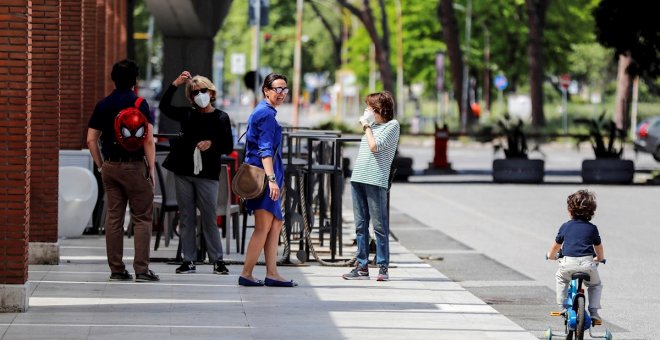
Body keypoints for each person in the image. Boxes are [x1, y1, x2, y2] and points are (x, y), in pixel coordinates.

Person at [87, 59, 160, 282]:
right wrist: (151, 169)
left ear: (113, 79)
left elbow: (91, 139)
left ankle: (117, 269)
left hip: (110, 166)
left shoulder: (103, 104)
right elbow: (147, 140)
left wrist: (101, 165)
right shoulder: (139, 104)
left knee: (114, 219)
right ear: (135, 80)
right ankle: (141, 270)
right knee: (142, 218)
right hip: (135, 166)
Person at [159, 71, 234, 275]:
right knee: (186, 217)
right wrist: (174, 83)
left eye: (203, 91)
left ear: (211, 92)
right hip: (183, 170)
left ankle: (217, 260)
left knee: (209, 217)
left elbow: (228, 146)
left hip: (208, 174)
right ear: (190, 97)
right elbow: (164, 107)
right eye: (194, 93)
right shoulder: (188, 114)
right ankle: (189, 260)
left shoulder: (221, 117)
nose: (200, 95)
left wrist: (212, 143)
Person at [238, 73, 297, 287]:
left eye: (284, 89)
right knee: (263, 225)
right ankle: (246, 274)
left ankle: (272, 273)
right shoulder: (265, 115)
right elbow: (264, 150)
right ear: (266, 90)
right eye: (277, 89)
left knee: (276, 222)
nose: (281, 93)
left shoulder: (265, 112)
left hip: (267, 176)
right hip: (264, 178)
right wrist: (272, 180)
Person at [343, 91, 400, 282]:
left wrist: (366, 125)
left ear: (379, 109)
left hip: (375, 180)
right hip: (358, 178)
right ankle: (362, 267)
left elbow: (375, 146)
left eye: (369, 107)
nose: (366, 110)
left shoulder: (392, 126)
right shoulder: (372, 126)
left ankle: (383, 266)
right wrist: (368, 125)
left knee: (379, 226)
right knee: (360, 225)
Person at [546, 189, 604, 321]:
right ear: (591, 212)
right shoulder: (592, 228)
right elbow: (598, 247)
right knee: (595, 285)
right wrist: (600, 258)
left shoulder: (565, 226)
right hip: (588, 264)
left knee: (561, 279)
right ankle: (594, 311)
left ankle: (562, 307)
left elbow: (556, 246)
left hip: (568, 264)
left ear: (570, 210)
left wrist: (551, 256)